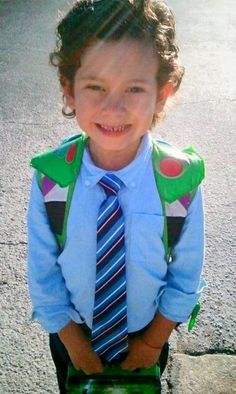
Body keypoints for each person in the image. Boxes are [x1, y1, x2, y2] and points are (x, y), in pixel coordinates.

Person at [27, 0, 206, 392]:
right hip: (72, 334)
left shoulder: (179, 181)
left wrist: (153, 341)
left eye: (134, 88)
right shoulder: (52, 178)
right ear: (68, 89)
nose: (114, 106)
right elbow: (43, 270)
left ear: (163, 93)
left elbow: (186, 272)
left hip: (145, 335)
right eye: (96, 86)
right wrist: (73, 343)